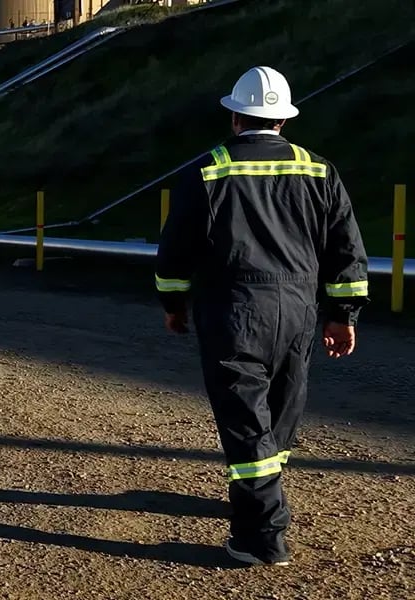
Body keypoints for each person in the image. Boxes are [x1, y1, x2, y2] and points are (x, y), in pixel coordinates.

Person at [155, 66, 369, 566]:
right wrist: (343, 315)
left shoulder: (207, 171)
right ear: (282, 121)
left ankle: (260, 538)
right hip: (297, 310)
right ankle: (259, 494)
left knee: (246, 420)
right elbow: (346, 248)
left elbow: (175, 252)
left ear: (235, 116)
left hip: (232, 312)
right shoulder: (319, 171)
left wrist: (174, 306)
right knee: (281, 409)